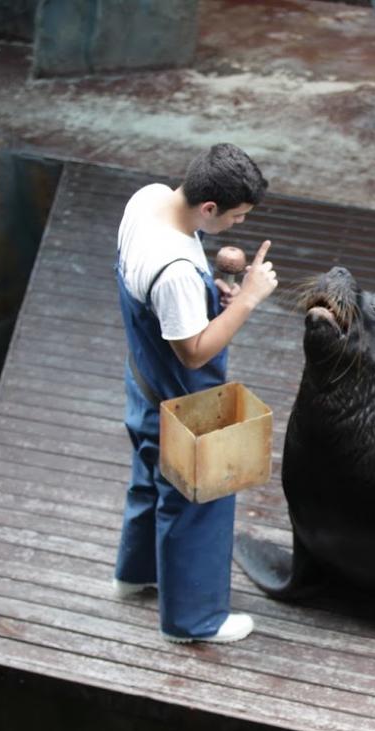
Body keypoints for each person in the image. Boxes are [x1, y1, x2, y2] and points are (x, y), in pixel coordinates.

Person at [112, 143, 278, 644]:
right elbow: (195, 351)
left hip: (143, 383)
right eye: (236, 216)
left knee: (148, 479)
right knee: (198, 499)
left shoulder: (149, 200)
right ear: (209, 207)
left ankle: (135, 573)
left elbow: (169, 304)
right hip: (183, 399)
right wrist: (246, 300)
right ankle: (194, 620)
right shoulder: (178, 273)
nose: (238, 227)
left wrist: (214, 292)